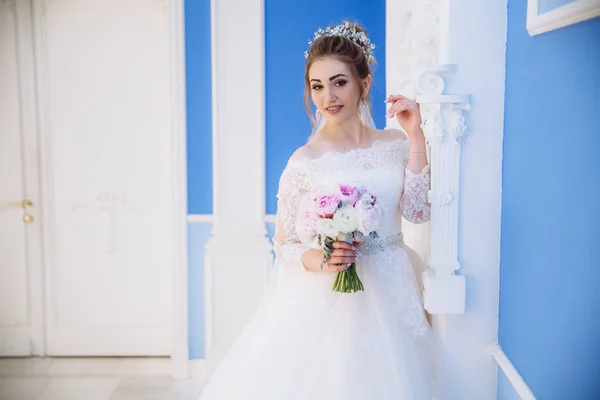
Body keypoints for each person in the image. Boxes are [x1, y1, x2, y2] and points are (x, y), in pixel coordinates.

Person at [198, 20, 443, 400]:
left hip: (393, 286)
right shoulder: (305, 161)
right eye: (317, 85)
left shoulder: (395, 142)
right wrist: (324, 259)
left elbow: (416, 212)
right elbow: (285, 244)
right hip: (332, 297)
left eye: (339, 82)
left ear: (364, 82)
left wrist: (415, 136)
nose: (328, 96)